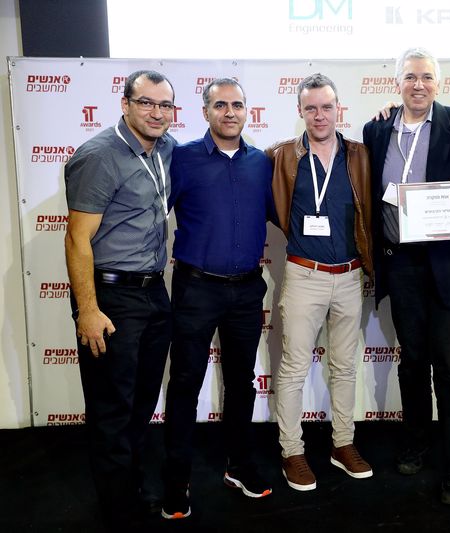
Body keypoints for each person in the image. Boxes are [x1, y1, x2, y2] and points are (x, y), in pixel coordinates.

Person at [362, 47, 450, 505]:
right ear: (397, 82)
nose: (418, 85)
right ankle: (415, 441)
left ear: (439, 83)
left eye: (426, 77)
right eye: (410, 77)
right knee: (412, 361)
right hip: (401, 265)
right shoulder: (377, 129)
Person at [64, 69, 176, 530]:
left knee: (141, 403)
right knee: (112, 410)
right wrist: (88, 310)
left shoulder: (166, 149)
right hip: (111, 297)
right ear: (125, 104)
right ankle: (117, 511)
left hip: (155, 293)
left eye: (164, 105)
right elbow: (76, 239)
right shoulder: (98, 156)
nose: (156, 112)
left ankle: (131, 487)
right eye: (146, 102)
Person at [161, 78, 275, 519]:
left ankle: (239, 466)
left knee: (242, 382)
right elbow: (154, 212)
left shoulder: (261, 162)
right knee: (185, 382)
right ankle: (177, 479)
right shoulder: (182, 158)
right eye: (221, 105)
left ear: (247, 111)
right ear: (205, 111)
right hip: (196, 288)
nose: (230, 112)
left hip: (247, 289)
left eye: (238, 105)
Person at [267, 73, 373, 491]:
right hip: (303, 274)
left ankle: (342, 444)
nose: (319, 115)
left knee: (345, 367)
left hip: (349, 276)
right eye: (310, 108)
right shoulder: (280, 156)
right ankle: (291, 450)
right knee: (294, 368)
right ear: (300, 111)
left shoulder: (359, 155)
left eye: (326, 107)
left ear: (338, 108)